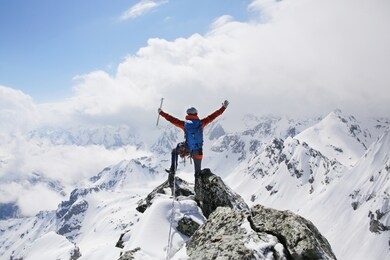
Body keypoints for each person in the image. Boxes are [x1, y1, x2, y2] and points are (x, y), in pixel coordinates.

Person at [158, 100, 229, 187]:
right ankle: (198, 190)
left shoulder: (184, 124)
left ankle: (173, 170)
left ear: (187, 115)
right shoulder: (201, 123)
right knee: (197, 173)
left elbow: (172, 119)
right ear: (196, 114)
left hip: (188, 149)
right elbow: (213, 116)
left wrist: (161, 113)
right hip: (198, 152)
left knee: (174, 151)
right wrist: (223, 108)